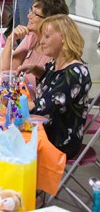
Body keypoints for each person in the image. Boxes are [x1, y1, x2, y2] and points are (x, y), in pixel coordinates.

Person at [28, 15, 92, 159]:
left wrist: (14, 103)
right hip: (48, 129)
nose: (42, 41)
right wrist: (36, 70)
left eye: (47, 36)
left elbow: (45, 108)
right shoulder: (56, 64)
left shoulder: (75, 73)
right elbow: (53, 82)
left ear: (63, 38)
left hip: (60, 140)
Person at [0, 0, 69, 96]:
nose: (29, 16)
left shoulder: (57, 51)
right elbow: (5, 72)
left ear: (49, 21)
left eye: (35, 14)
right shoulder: (32, 37)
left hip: (34, 105)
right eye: (31, 11)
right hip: (23, 98)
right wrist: (10, 40)